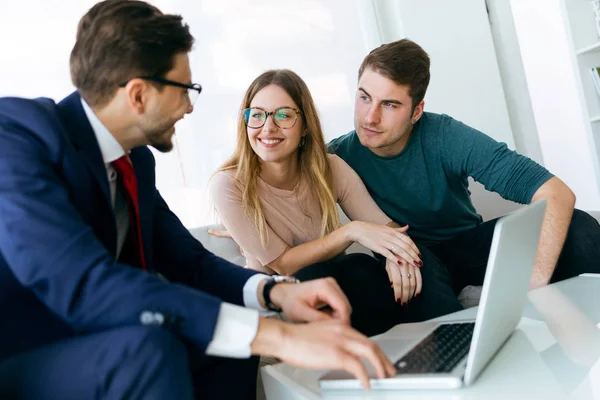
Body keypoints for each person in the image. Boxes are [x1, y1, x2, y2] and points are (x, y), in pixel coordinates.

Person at [0, 2, 397, 398]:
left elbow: (189, 262)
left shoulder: (135, 159)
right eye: (186, 90)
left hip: (104, 335)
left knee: (233, 340)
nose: (190, 107)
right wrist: (276, 337)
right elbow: (82, 282)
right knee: (157, 349)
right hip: (28, 352)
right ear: (138, 94)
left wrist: (274, 293)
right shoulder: (18, 138)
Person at [328, 38, 600, 312]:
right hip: (410, 262)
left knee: (581, 229)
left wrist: (534, 284)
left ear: (416, 112)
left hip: (468, 248)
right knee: (368, 269)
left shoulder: (445, 135)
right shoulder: (335, 157)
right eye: (364, 97)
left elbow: (555, 192)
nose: (370, 117)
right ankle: (461, 349)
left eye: (389, 105)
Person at [209, 69, 461, 337]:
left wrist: (398, 253)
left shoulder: (329, 168)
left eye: (283, 115)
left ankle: (454, 340)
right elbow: (284, 264)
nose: (268, 127)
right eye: (257, 115)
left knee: (371, 264)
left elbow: (385, 227)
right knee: (318, 274)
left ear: (305, 125)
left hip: (345, 288)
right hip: (286, 299)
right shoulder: (228, 184)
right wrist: (351, 231)